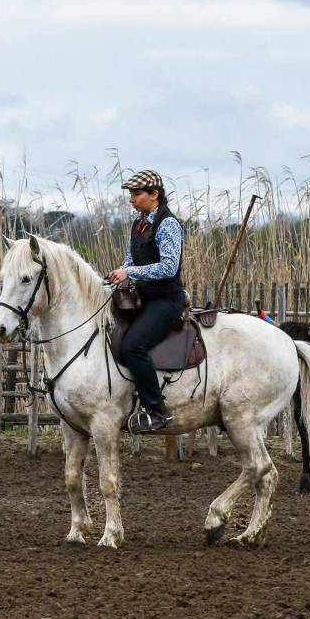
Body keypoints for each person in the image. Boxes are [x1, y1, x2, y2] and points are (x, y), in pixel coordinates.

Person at [106, 169, 185, 433]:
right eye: (130, 194)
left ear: (155, 194)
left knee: (133, 345)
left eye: (137, 193)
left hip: (165, 300)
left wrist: (130, 272)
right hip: (142, 297)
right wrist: (119, 273)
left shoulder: (168, 224)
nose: (131, 199)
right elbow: (131, 261)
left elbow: (168, 267)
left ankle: (157, 409)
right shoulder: (138, 224)